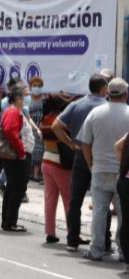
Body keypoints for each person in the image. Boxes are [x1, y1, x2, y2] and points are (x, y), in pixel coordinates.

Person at [51, 74, 109, 252]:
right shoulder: (106, 107)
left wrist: (70, 143)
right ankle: (104, 241)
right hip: (100, 157)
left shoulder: (76, 104)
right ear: (102, 89)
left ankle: (72, 240)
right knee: (102, 201)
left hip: (79, 156)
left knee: (75, 200)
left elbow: (55, 126)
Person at [78, 77, 129, 261]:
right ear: (125, 94)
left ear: (108, 93)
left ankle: (96, 249)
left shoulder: (95, 113)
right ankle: (124, 252)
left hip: (99, 169)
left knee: (99, 212)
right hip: (123, 173)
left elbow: (85, 143)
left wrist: (90, 163)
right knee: (124, 215)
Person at [0, 83, 29, 232]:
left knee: (12, 187)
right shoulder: (12, 111)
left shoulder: (13, 110)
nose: (27, 98)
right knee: (17, 188)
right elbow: (10, 131)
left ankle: (8, 221)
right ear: (18, 98)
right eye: (25, 95)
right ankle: (10, 221)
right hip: (16, 156)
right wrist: (22, 152)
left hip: (15, 155)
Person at [115, 133, 129, 274]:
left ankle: (127, 261)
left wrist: (123, 167)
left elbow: (117, 146)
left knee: (126, 223)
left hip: (124, 181)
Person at [29, 76, 46, 182]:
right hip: (29, 127)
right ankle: (30, 173)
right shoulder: (27, 99)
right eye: (34, 85)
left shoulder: (44, 99)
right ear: (31, 86)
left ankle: (36, 174)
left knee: (39, 150)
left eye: (39, 86)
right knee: (30, 149)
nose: (37, 87)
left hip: (41, 127)